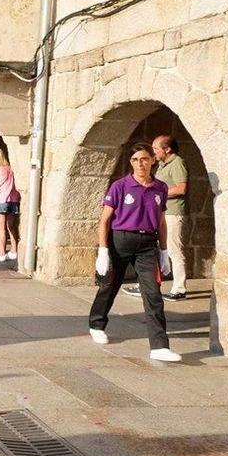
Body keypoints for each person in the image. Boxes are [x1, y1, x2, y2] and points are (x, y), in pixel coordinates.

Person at [88, 142, 180, 363]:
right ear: (131, 162)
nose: (140, 164)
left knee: (153, 293)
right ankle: (96, 325)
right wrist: (103, 250)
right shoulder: (120, 186)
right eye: (135, 160)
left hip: (147, 243)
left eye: (144, 159)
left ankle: (159, 346)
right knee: (110, 285)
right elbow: (104, 220)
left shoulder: (160, 188)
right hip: (121, 240)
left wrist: (164, 251)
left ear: (152, 160)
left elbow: (161, 221)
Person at [152, 134, 188, 301]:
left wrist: (159, 194)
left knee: (174, 250)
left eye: (156, 148)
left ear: (167, 149)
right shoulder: (161, 165)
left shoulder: (177, 163)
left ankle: (179, 289)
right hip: (161, 212)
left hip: (173, 213)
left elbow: (181, 188)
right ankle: (151, 284)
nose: (153, 151)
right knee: (155, 248)